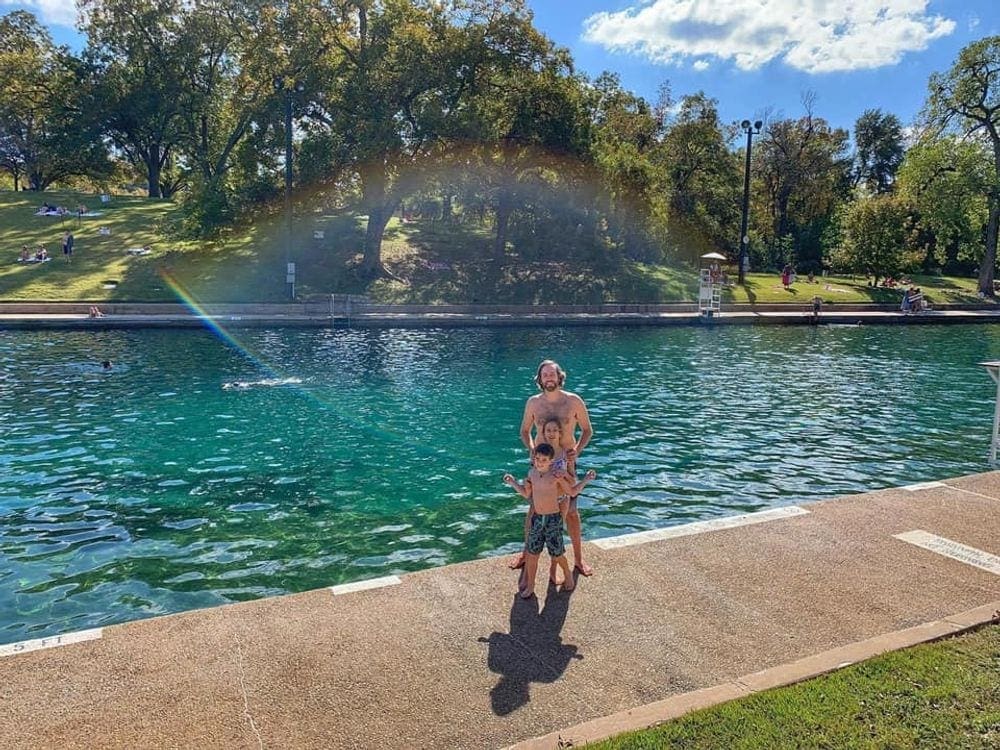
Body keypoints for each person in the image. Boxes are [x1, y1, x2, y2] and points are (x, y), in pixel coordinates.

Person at [513, 359, 595, 576]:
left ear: (560, 377)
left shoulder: (573, 401)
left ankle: (578, 559)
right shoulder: (533, 403)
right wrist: (531, 449)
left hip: (565, 463)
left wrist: (576, 450)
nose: (549, 377)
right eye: (544, 374)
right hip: (540, 463)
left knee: (571, 513)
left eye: (552, 374)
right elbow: (524, 431)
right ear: (539, 379)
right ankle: (525, 554)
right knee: (534, 509)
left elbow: (587, 430)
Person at [503, 443, 597, 599]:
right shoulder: (532, 474)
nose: (540, 462)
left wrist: (586, 479)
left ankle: (567, 573)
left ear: (551, 461)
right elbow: (527, 494)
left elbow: (572, 491)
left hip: (553, 520)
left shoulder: (555, 476)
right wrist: (513, 483)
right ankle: (531, 586)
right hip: (537, 519)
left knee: (557, 554)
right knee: (532, 554)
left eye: (544, 459)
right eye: (537, 458)